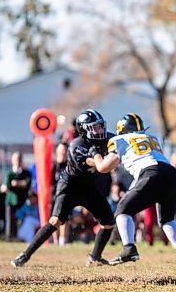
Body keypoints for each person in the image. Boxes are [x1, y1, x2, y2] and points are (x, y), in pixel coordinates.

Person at [11, 109, 116, 267]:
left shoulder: (107, 138)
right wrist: (109, 155)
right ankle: (24, 255)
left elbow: (122, 141)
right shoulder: (77, 146)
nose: (99, 130)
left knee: (108, 222)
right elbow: (99, 165)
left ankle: (95, 257)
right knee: (55, 221)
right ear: (83, 130)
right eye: (94, 127)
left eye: (100, 126)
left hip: (88, 187)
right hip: (70, 186)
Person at [90, 113, 176, 268]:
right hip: (172, 175)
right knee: (167, 219)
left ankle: (128, 249)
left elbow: (104, 167)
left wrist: (95, 155)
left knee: (122, 211)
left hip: (151, 173)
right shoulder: (152, 137)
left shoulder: (119, 140)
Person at [5, 151, 32, 241]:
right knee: (10, 220)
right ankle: (9, 238)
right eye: (16, 159)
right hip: (11, 201)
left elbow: (27, 184)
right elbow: (8, 185)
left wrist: (16, 183)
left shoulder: (26, 173)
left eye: (19, 159)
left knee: (22, 221)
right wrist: (21, 183)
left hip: (22, 202)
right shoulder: (9, 173)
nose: (18, 161)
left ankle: (20, 238)